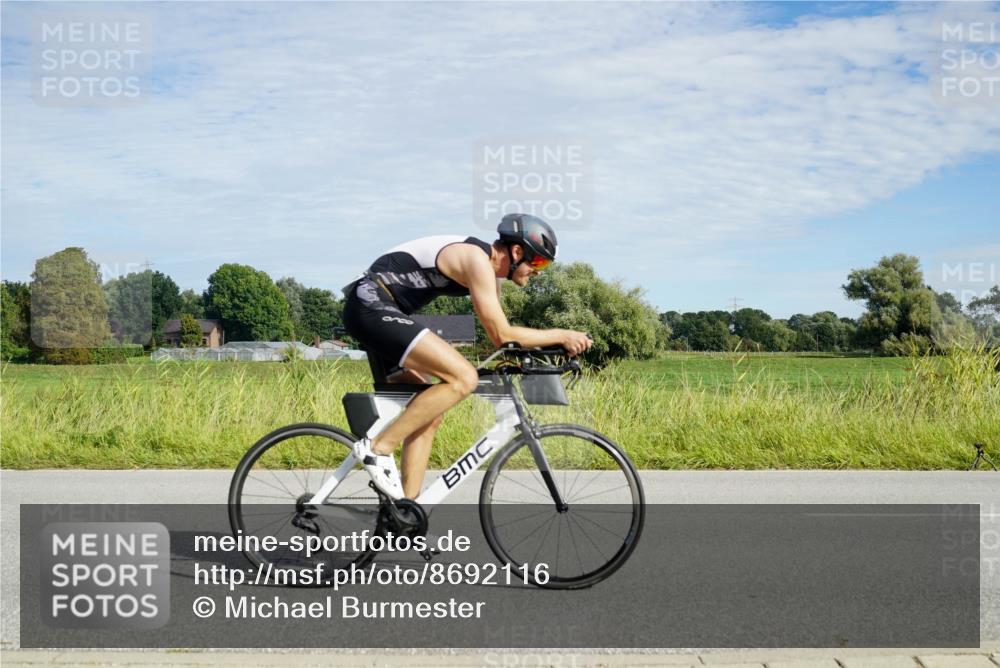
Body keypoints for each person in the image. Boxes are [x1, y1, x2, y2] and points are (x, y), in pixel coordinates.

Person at [342, 213, 592, 500]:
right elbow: (503, 334)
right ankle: (377, 449)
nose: (539, 272)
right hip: (371, 305)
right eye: (538, 262)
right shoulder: (476, 260)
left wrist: (543, 351)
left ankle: (405, 513)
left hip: (381, 313)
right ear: (517, 251)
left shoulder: (489, 278)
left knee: (428, 414)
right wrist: (561, 334)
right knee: (463, 377)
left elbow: (505, 340)